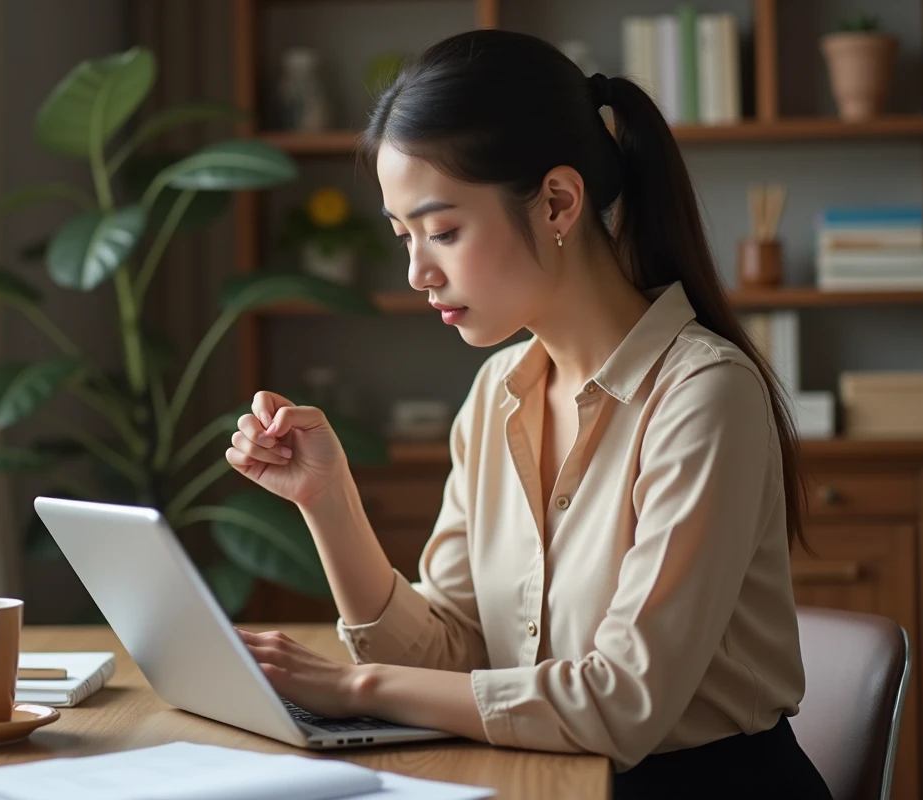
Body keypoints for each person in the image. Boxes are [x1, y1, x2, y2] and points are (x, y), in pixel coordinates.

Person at [226, 28, 833, 800]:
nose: (418, 271)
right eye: (403, 235)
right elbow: (451, 660)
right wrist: (328, 498)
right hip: (536, 776)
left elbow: (621, 704)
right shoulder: (496, 393)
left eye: (443, 230)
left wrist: (355, 689)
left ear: (557, 202)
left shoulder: (704, 396)